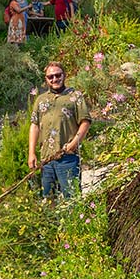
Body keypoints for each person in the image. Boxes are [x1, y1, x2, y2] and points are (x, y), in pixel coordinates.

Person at [27, 61, 89, 200]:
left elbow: (85, 122)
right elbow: (34, 125)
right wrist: (31, 153)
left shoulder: (75, 96)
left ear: (64, 75)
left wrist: (73, 144)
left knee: (72, 200)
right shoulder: (40, 100)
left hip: (68, 158)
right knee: (49, 200)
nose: (54, 79)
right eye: (50, 77)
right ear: (46, 79)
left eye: (57, 75)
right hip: (46, 159)